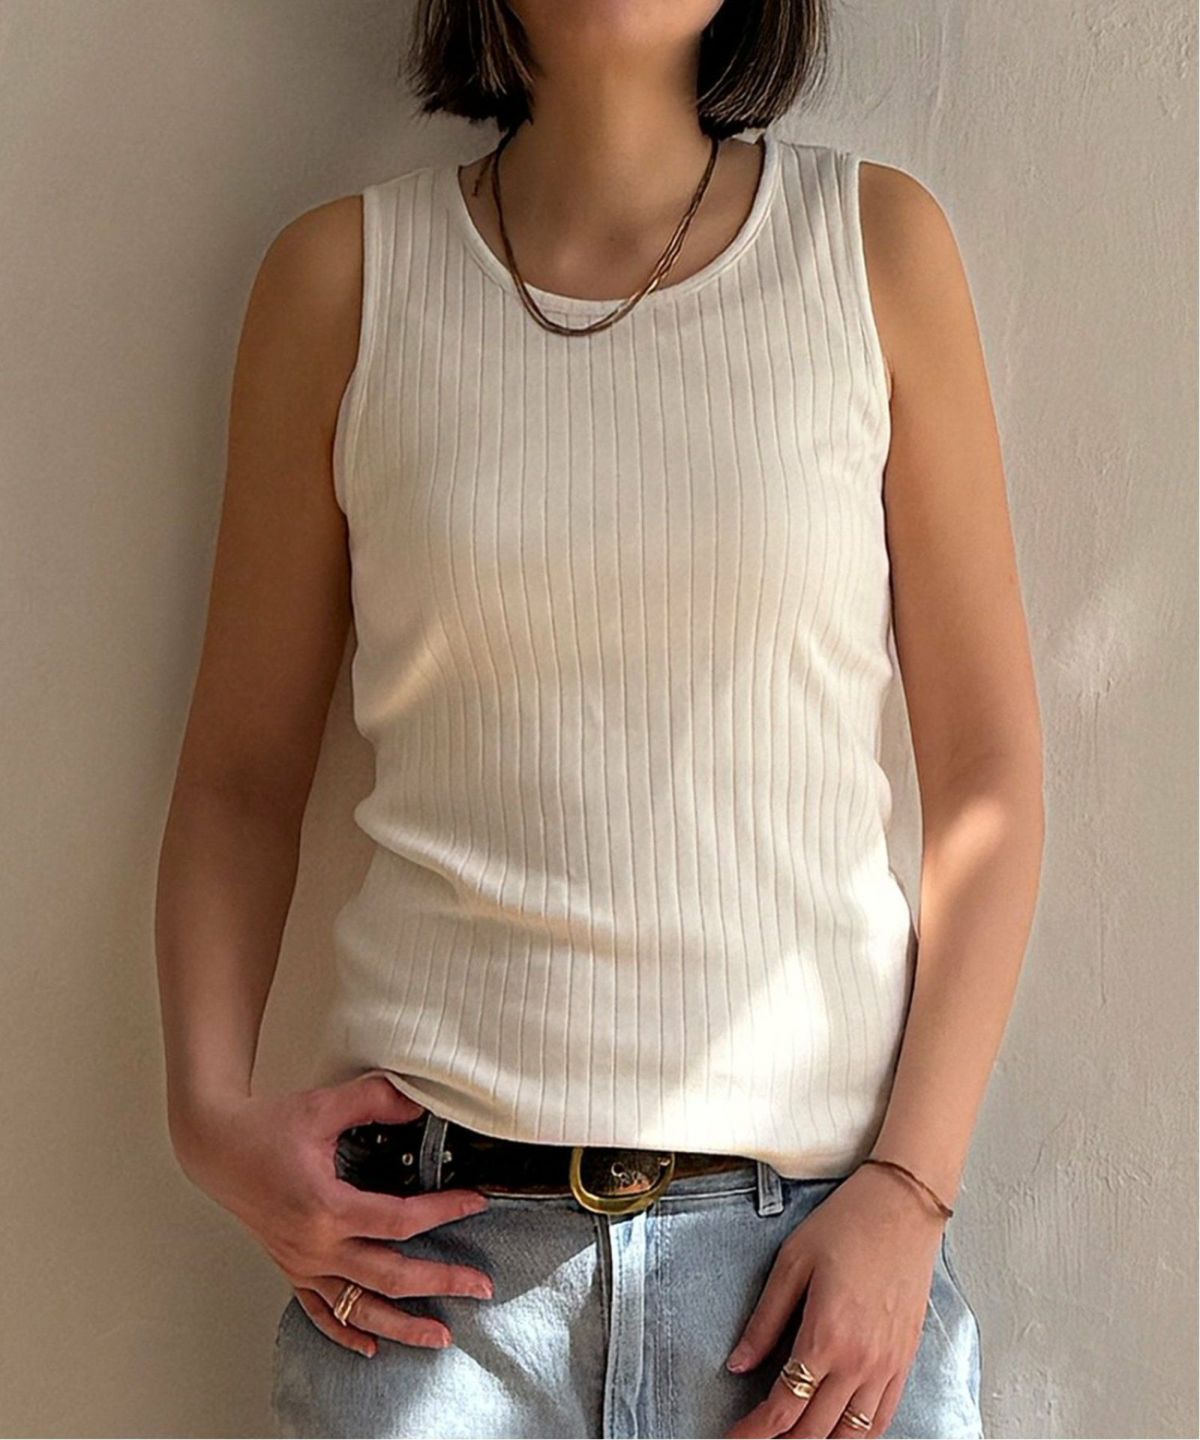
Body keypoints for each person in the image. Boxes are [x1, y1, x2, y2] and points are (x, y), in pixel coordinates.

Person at [154, 2, 1044, 1437]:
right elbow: (243, 776)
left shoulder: (875, 251)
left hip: (814, 1291)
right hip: (431, 1297)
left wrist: (911, 1187)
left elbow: (988, 772)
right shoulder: (340, 282)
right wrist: (208, 1119)